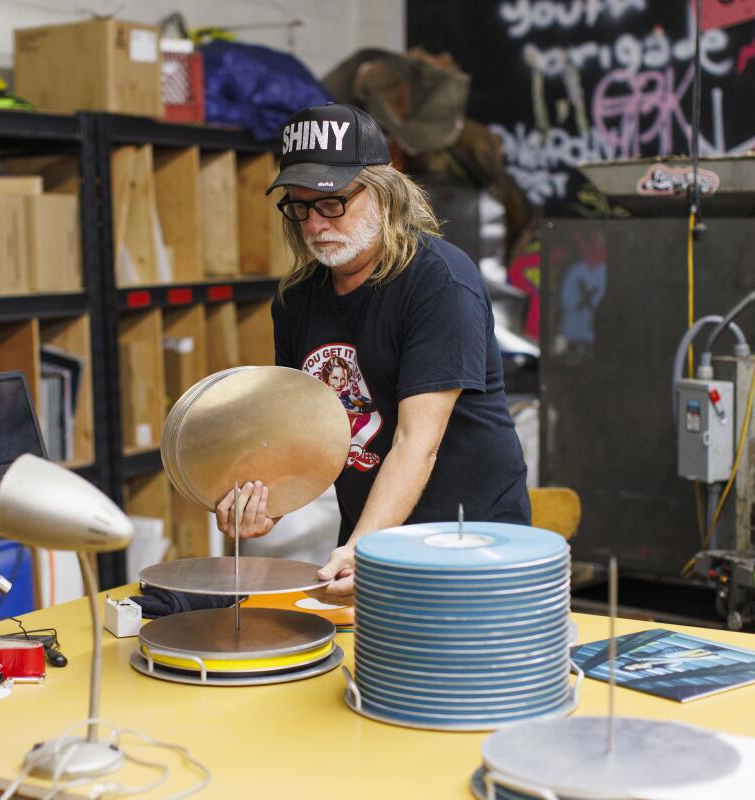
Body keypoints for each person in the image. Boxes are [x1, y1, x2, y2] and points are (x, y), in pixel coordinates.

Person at [216, 102, 530, 602]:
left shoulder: (439, 282)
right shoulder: (298, 300)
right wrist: (265, 502)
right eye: (299, 207)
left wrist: (365, 546)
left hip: (469, 552)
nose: (315, 224)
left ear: (384, 193)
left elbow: (415, 441)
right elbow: (301, 431)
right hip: (373, 545)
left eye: (332, 203)